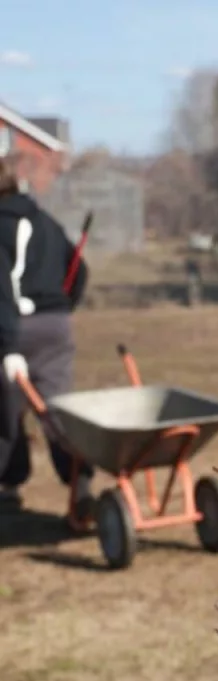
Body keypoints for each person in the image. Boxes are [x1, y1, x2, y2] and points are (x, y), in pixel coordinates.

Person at [0, 157, 94, 525]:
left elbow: (1, 292)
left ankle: (9, 484)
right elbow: (79, 270)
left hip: (15, 328)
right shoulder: (46, 222)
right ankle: (80, 484)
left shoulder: (2, 226)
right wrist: (61, 306)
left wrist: (8, 347)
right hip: (56, 328)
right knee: (56, 411)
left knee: (5, 413)